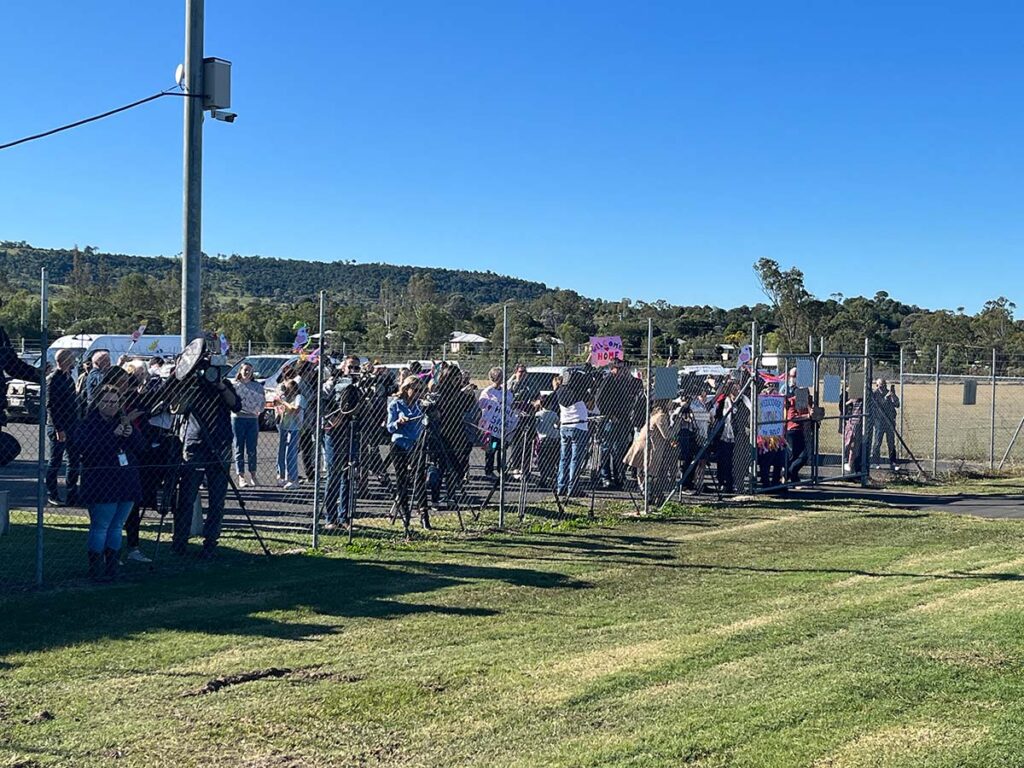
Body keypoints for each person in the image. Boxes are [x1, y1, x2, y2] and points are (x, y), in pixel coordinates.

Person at [171, 352, 241, 558]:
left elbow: (236, 405)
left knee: (217, 498)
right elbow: (176, 408)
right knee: (186, 496)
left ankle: (211, 542)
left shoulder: (225, 384)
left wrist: (219, 385)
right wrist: (187, 382)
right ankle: (180, 541)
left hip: (220, 444)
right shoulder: (191, 386)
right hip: (195, 444)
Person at [76, 385, 143, 580]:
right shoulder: (89, 424)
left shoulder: (123, 422)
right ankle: (95, 568)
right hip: (101, 482)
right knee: (101, 525)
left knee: (117, 525)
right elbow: (86, 450)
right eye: (106, 401)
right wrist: (111, 435)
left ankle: (112, 566)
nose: (110, 406)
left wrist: (132, 434)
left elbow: (141, 447)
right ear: (97, 402)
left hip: (126, 481)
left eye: (114, 402)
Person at [323, 355, 362, 529]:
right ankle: (330, 518)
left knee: (348, 474)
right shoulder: (332, 383)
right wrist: (331, 420)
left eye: (356, 367)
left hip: (352, 431)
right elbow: (323, 403)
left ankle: (344, 517)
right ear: (343, 368)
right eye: (350, 367)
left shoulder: (361, 385)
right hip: (334, 432)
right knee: (334, 474)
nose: (353, 371)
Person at [387, 375, 429, 535]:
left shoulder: (420, 406)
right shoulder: (395, 404)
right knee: (402, 479)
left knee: (419, 477)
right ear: (407, 389)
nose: (418, 393)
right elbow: (390, 427)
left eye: (421, 390)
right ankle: (405, 514)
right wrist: (399, 421)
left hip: (415, 444)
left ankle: (424, 514)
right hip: (399, 443)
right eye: (415, 390)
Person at [596, 360, 643, 489]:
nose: (622, 371)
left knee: (619, 449)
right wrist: (610, 415)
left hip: (624, 419)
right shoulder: (608, 380)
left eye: (623, 368)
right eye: (619, 368)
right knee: (607, 448)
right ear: (613, 368)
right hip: (611, 420)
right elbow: (599, 400)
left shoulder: (624, 382)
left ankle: (619, 477)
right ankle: (605, 476)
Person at [45, 349, 81, 506]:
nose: (74, 361)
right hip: (59, 427)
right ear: (65, 360)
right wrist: (59, 429)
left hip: (72, 425)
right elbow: (52, 406)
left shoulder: (69, 378)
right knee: (55, 461)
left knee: (74, 460)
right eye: (72, 358)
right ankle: (52, 493)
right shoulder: (54, 379)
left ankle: (72, 493)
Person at [478, 367, 517, 478]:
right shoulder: (488, 392)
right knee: (492, 448)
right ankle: (489, 470)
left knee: (502, 449)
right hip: (492, 428)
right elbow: (482, 405)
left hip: (502, 427)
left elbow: (510, 404)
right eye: (498, 377)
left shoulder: (506, 392)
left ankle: (501, 470)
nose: (500, 380)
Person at [556, 369, 590, 497]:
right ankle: (573, 487)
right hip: (578, 425)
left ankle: (561, 486)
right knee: (575, 459)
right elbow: (590, 400)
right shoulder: (578, 391)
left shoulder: (560, 391)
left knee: (564, 457)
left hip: (565, 425)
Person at [231, 361, 265, 487]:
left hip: (252, 419)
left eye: (249, 370)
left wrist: (257, 411)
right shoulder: (235, 386)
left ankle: (253, 475)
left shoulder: (257, 387)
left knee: (252, 448)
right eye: (245, 369)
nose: (247, 372)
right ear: (240, 371)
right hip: (238, 418)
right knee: (238, 447)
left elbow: (262, 403)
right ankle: (241, 476)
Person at [275, 378, 305, 489]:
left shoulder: (299, 398)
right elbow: (280, 409)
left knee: (290, 454)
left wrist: (283, 402)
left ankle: (294, 479)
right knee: (281, 453)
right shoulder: (286, 397)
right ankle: (282, 476)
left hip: (294, 428)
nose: (286, 388)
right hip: (284, 427)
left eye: (288, 386)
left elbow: (295, 409)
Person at [870, 379, 900, 470]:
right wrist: (885, 398)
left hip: (890, 421)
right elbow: (878, 405)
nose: (883, 387)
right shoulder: (875, 394)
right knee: (877, 442)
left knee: (891, 442)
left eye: (884, 385)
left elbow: (897, 404)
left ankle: (893, 462)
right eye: (881, 385)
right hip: (879, 421)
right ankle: (875, 462)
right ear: (877, 385)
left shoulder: (889, 393)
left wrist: (893, 395)